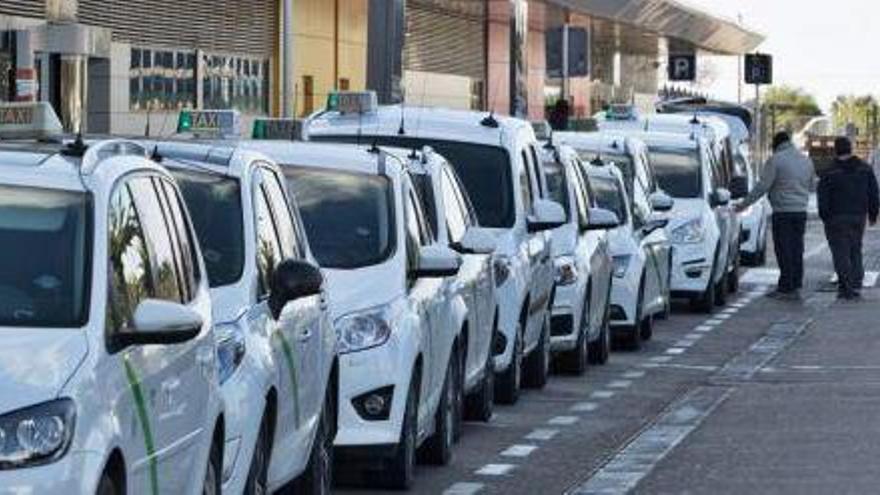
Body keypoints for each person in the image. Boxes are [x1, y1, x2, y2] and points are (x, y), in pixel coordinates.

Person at [737, 131, 816, 300]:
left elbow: (762, 187)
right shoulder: (806, 160)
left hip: (782, 212)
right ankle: (795, 283)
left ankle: (785, 287)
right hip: (800, 212)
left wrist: (743, 205)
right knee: (797, 249)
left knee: (783, 249)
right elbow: (811, 185)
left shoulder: (776, 160)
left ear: (776, 144)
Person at [817, 137, 879, 300]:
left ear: (835, 150)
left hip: (836, 217)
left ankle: (846, 287)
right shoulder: (865, 168)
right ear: (850, 149)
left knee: (840, 252)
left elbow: (822, 196)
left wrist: (824, 216)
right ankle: (856, 283)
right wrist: (873, 214)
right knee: (855, 249)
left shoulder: (829, 171)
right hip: (858, 216)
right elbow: (874, 192)